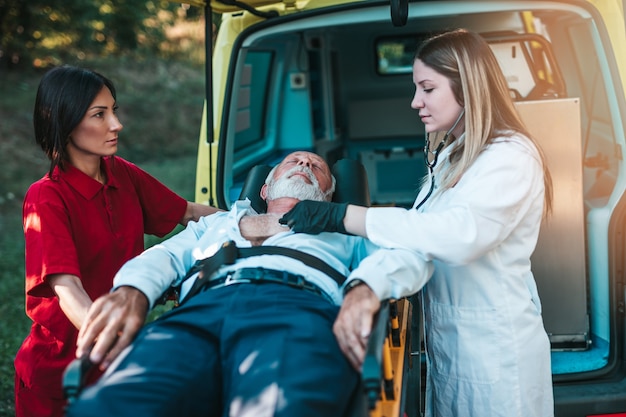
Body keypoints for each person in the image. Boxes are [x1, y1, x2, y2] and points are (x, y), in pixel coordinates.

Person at [280, 29, 555, 417]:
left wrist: (342, 215)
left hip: (497, 352)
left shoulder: (511, 157)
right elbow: (418, 232)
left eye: (427, 88)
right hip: (452, 345)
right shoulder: (454, 153)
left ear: (468, 87)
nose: (415, 102)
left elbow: (459, 235)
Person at [65, 151, 432, 417]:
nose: (305, 164)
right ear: (265, 189)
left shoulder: (343, 229)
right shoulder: (216, 224)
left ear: (329, 194)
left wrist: (365, 287)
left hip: (295, 315)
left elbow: (412, 254)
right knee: (112, 405)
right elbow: (163, 257)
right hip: (197, 317)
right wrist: (133, 289)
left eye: (317, 166)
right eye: (293, 161)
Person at [14, 65, 220, 417]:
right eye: (100, 114)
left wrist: (251, 224)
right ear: (65, 122)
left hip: (121, 352)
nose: (116, 124)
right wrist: (120, 346)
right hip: (66, 366)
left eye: (114, 111)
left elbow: (188, 211)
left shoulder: (121, 172)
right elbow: (68, 290)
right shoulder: (46, 197)